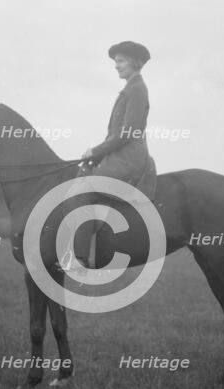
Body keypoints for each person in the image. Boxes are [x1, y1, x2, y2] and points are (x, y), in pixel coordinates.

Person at [61, 40, 157, 271]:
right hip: (121, 154)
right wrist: (96, 154)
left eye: (120, 61)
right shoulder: (131, 88)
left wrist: (96, 151)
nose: (116, 66)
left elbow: (126, 133)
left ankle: (81, 258)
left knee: (83, 190)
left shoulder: (137, 89)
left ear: (134, 62)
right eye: (115, 62)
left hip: (129, 157)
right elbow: (116, 134)